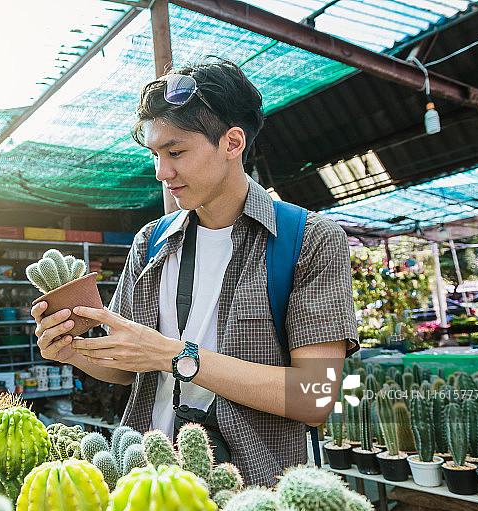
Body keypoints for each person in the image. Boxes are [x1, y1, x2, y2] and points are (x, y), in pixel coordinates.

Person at [31, 59, 358, 487]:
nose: (162, 173)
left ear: (232, 142)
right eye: (155, 155)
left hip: (254, 494)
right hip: (148, 486)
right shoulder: (151, 243)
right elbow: (128, 367)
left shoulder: (308, 240)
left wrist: (174, 356)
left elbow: (314, 397)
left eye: (176, 151)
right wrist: (72, 351)